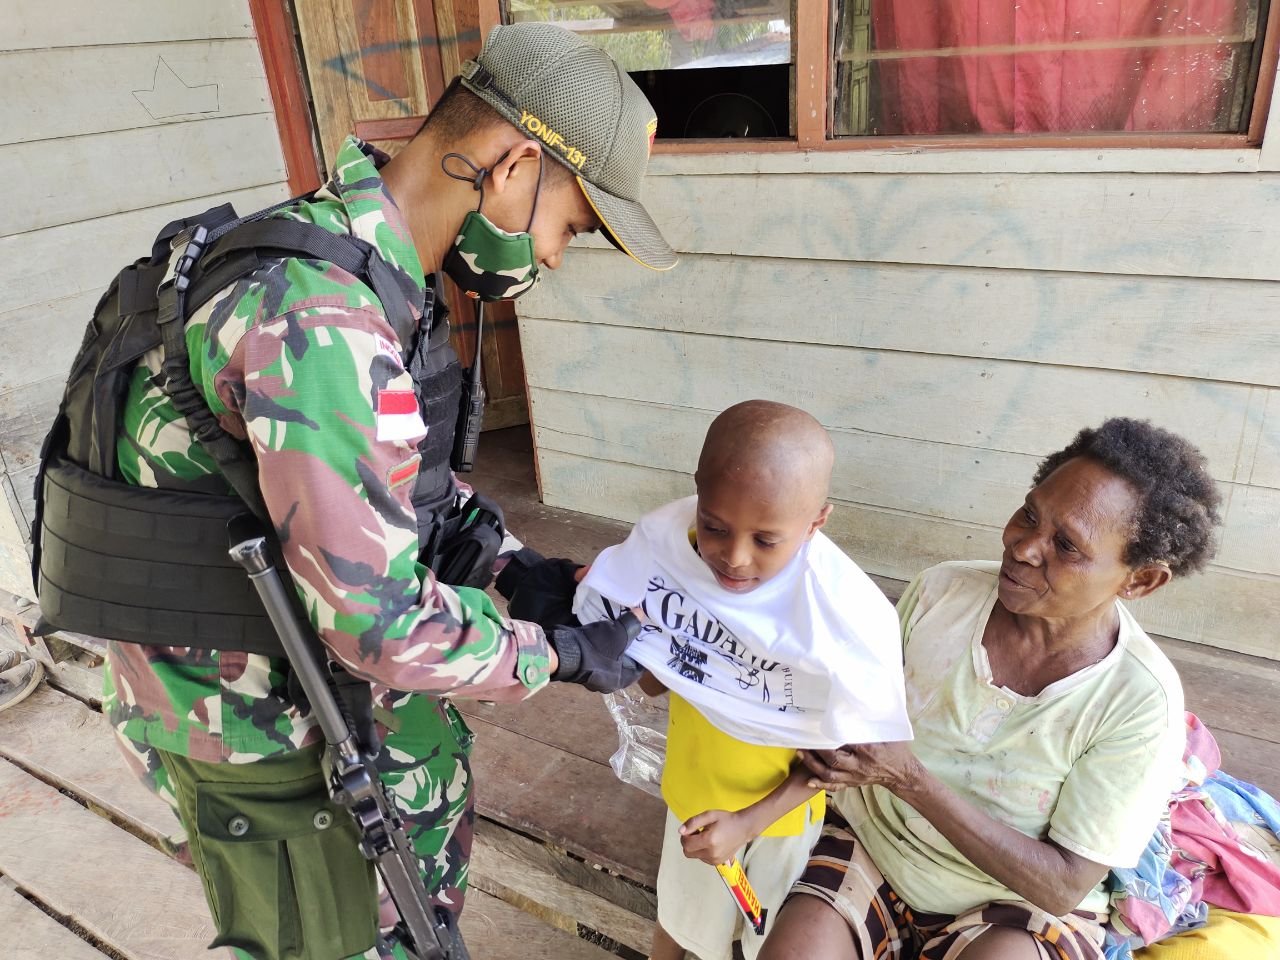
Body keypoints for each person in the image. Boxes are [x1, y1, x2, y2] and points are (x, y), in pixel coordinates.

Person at [87, 22, 677, 960]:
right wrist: (555, 654)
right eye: (571, 223)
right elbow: (380, 625)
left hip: (307, 692)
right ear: (516, 163)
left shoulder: (356, 265)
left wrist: (513, 565)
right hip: (260, 736)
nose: (558, 256)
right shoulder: (319, 317)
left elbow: (405, 494)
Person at [759, 417, 1224, 960]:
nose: (1025, 547)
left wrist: (909, 778)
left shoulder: (1139, 701)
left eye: (1067, 546)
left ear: (1139, 579)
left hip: (1015, 904)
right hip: (874, 846)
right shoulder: (942, 592)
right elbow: (856, 721)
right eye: (1029, 514)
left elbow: (1061, 884)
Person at [569, 400, 913, 960]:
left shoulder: (834, 620)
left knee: (764, 942)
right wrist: (628, 628)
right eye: (714, 526)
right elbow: (661, 682)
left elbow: (838, 758)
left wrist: (747, 824)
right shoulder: (673, 558)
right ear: (696, 496)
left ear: (817, 522)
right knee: (680, 924)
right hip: (691, 802)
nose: (734, 557)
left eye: (767, 540)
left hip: (777, 826)